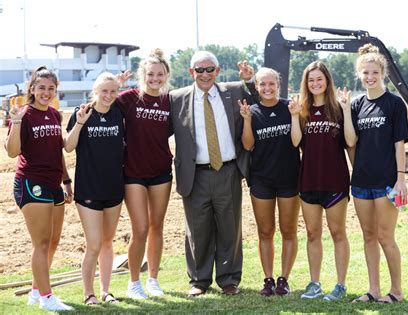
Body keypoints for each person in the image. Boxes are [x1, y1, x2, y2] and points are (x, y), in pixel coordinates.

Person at [169, 51, 257, 297]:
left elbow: (262, 99)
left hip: (228, 170)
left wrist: (250, 81)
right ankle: (199, 280)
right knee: (197, 230)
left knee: (230, 228)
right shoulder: (176, 98)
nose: (205, 74)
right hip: (195, 174)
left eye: (210, 69)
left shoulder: (235, 91)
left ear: (218, 71)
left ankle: (229, 280)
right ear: (191, 72)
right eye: (200, 70)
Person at [5, 66, 73, 311]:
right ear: (32, 89)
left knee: (52, 242)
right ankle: (47, 297)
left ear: (56, 91)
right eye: (41, 87)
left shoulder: (55, 115)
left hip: (54, 183)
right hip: (30, 183)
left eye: (51, 88)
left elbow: (58, 151)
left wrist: (66, 181)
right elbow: (12, 152)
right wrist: (15, 121)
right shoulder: (24, 113)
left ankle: (35, 292)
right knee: (41, 243)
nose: (46, 92)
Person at [347, 44, 408, 303]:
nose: (370, 77)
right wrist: (342, 109)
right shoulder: (356, 105)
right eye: (365, 73)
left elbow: (399, 144)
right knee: (369, 236)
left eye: (374, 72)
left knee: (386, 237)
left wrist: (401, 179)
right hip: (361, 182)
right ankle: (373, 290)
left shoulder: (394, 104)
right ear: (359, 75)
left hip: (387, 183)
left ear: (382, 73)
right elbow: (351, 143)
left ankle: (396, 291)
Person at [289, 61, 352, 301]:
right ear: (306, 84)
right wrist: (295, 117)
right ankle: (314, 284)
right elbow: (296, 143)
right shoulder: (302, 109)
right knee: (313, 233)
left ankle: (340, 285)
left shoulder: (338, 107)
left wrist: (346, 112)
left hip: (335, 181)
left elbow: (350, 140)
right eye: (311, 80)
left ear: (327, 81)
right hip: (309, 181)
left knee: (337, 232)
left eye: (319, 79)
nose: (315, 83)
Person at [115, 49, 173, 299]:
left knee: (156, 227)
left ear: (166, 75)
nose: (155, 78)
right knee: (140, 229)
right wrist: (115, 87)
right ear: (143, 75)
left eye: (159, 74)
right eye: (150, 74)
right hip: (134, 173)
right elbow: (100, 106)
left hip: (161, 172)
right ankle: (134, 282)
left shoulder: (170, 101)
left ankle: (153, 280)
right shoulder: (127, 99)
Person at [239, 67, 300, 296]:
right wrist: (246, 120)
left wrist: (295, 115)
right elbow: (247, 145)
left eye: (271, 84)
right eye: (262, 84)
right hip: (262, 180)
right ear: (256, 87)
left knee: (288, 231)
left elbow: (296, 143)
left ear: (278, 85)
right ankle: (268, 279)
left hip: (289, 180)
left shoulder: (289, 107)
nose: (267, 88)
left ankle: (284, 279)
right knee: (265, 232)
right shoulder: (252, 112)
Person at [64, 72, 124, 305]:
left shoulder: (119, 114)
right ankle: (89, 294)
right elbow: (68, 147)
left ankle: (106, 291)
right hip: (88, 189)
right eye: (104, 91)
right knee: (94, 243)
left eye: (113, 91)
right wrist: (79, 122)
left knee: (108, 242)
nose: (108, 95)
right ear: (95, 91)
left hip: (114, 189)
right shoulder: (83, 112)